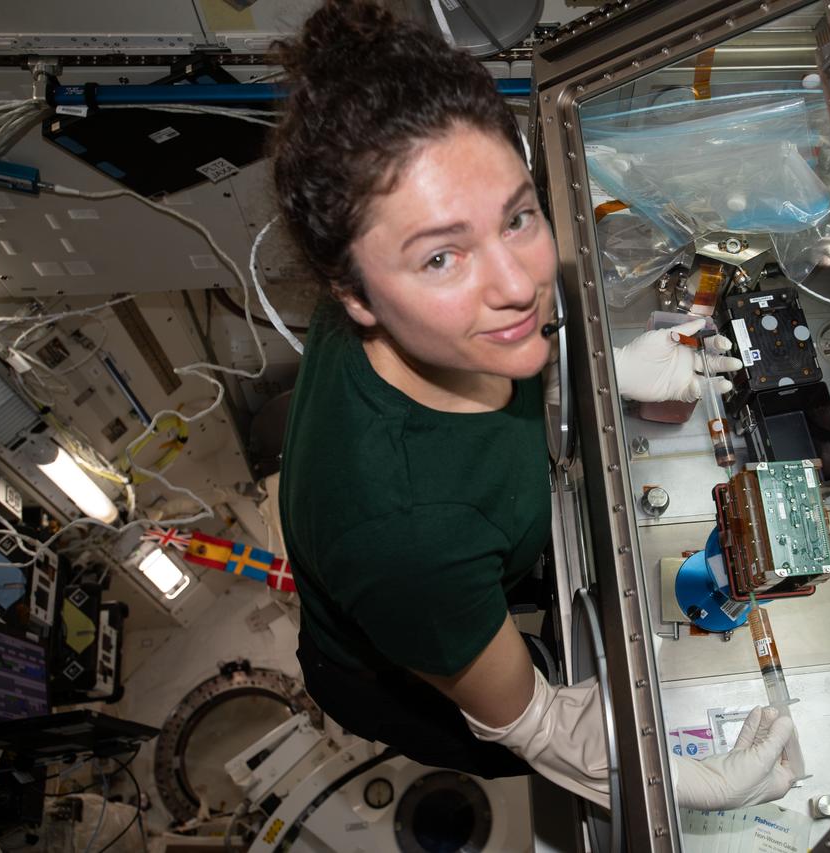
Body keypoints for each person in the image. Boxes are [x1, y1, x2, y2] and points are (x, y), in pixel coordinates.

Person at [272, 0, 796, 812]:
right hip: (403, 671)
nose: (517, 284)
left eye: (518, 216)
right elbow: (538, 719)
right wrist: (676, 781)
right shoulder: (406, 534)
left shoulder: (417, 321)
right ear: (355, 294)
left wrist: (599, 369)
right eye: (442, 256)